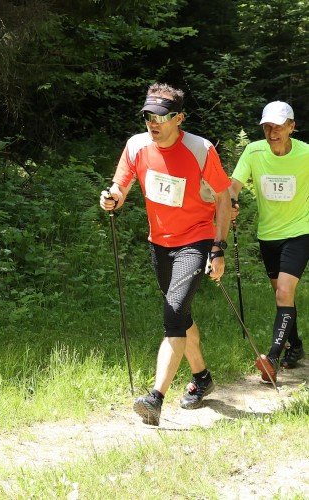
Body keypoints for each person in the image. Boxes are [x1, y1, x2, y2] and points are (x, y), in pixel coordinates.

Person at [100, 82, 231, 426]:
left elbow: (223, 197)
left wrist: (218, 247)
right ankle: (201, 377)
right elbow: (121, 186)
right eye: (147, 117)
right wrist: (111, 197)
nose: (152, 124)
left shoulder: (200, 149)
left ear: (178, 118)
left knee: (173, 312)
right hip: (160, 242)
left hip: (196, 239)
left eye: (160, 117)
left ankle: (155, 398)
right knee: (182, 316)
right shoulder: (136, 146)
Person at [229, 101, 309, 383]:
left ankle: (272, 357)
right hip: (268, 236)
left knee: (284, 292)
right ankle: (296, 346)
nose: (271, 131)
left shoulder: (305, 154)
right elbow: (234, 185)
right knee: (282, 295)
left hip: (299, 233)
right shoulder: (254, 151)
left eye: (277, 126)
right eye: (267, 126)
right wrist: (232, 200)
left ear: (291, 127)